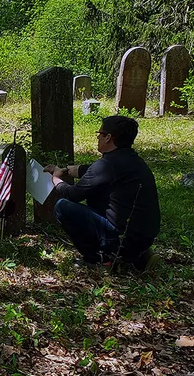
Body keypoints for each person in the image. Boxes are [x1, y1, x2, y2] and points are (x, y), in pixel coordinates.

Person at [44, 115, 160, 272]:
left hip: (121, 237)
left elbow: (73, 194)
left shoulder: (106, 165)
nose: (98, 136)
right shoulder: (132, 161)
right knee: (98, 197)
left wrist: (57, 179)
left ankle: (99, 259)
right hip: (143, 236)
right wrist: (66, 170)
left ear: (109, 137)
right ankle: (138, 255)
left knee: (63, 207)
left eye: (100, 132)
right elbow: (91, 171)